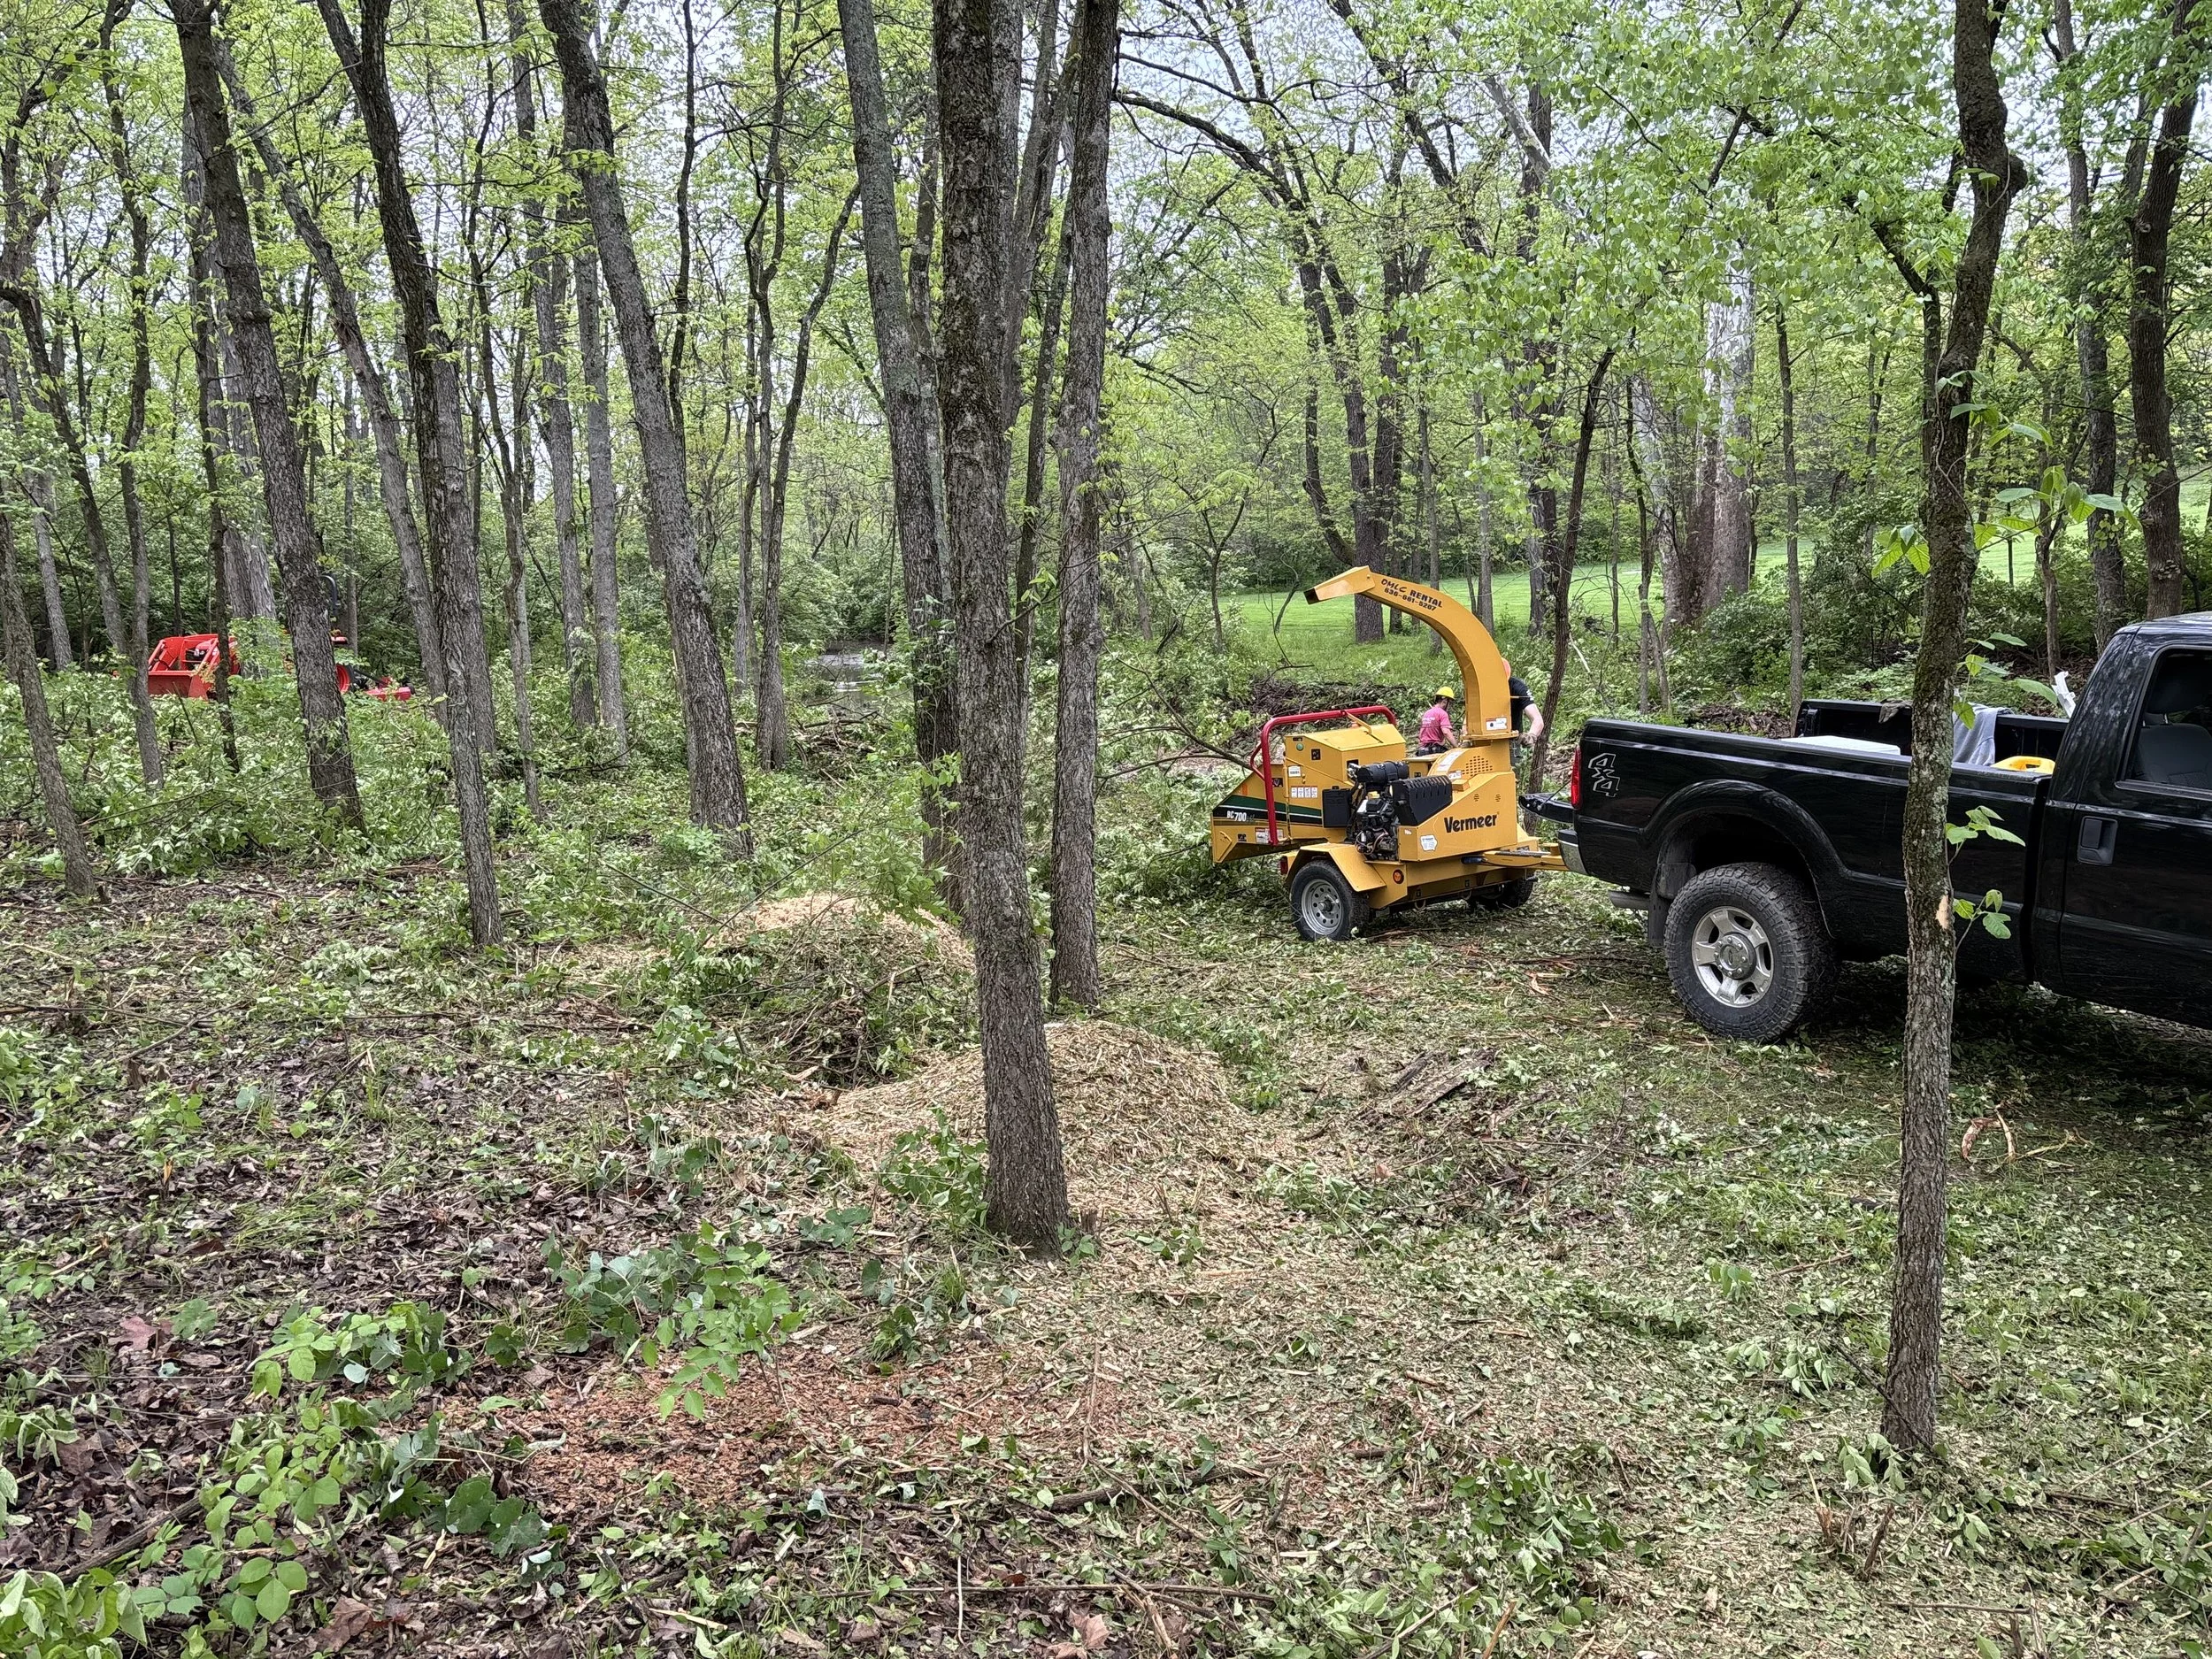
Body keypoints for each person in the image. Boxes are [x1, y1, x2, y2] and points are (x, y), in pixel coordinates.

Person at [1416, 686, 1459, 753]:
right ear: (1445, 702)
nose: (1449, 705)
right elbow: (1446, 732)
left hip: (1422, 750)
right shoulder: (1442, 713)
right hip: (1435, 749)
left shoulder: (1427, 713)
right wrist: (1456, 747)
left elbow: (1421, 732)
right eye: (1449, 703)